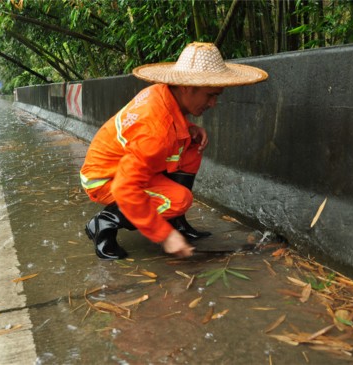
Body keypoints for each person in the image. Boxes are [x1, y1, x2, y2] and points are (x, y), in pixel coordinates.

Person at [80, 42, 268, 260]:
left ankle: (176, 221)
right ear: (187, 87)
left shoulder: (162, 92)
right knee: (179, 200)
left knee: (191, 146)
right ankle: (104, 222)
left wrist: (190, 129)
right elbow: (125, 187)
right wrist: (165, 236)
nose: (214, 103)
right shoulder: (155, 131)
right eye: (210, 95)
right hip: (104, 178)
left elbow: (165, 123)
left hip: (124, 164)